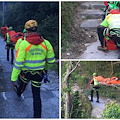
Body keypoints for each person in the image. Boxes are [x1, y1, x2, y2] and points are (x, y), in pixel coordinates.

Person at [11, 20, 55, 118]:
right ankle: (37, 117)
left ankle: (18, 92)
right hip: (39, 74)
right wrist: (45, 69)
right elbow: (51, 61)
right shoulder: (46, 43)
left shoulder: (24, 44)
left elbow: (18, 63)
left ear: (27, 31)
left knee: (22, 85)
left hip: (25, 73)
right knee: (36, 96)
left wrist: (13, 79)